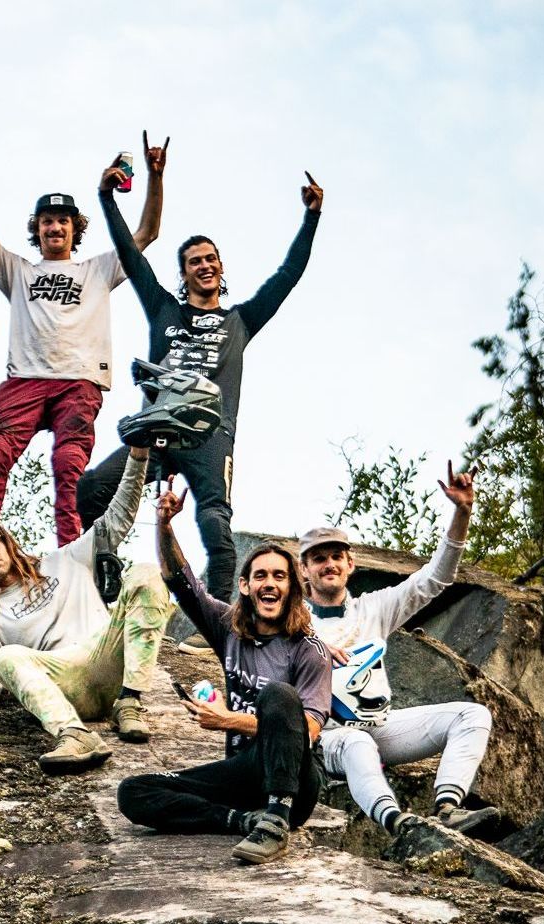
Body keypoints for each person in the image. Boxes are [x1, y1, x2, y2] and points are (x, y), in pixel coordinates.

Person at [78, 167, 324, 653]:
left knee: (215, 524)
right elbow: (132, 257)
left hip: (210, 435)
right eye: (194, 261)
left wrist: (311, 218)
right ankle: (102, 576)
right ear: (184, 272)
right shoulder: (164, 309)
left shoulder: (240, 320)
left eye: (211, 259)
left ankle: (217, 626)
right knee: (92, 488)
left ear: (221, 268)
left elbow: (287, 276)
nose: (204, 266)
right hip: (158, 431)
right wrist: (107, 199)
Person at [0, 128, 166, 544]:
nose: (55, 227)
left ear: (75, 229)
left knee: (68, 465)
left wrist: (155, 176)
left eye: (63, 221)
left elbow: (146, 233)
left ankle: (69, 552)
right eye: (47, 221)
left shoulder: (98, 269)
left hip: (78, 381)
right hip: (25, 380)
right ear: (37, 229)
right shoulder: (19, 271)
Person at [117, 479, 332, 865]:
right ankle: (241, 821)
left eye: (279, 576)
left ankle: (276, 821)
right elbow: (182, 583)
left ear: (292, 589)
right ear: (245, 586)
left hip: (295, 782)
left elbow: (309, 730)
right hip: (244, 773)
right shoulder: (229, 626)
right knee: (135, 791)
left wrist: (229, 720)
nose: (269, 583)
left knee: (278, 695)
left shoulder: (309, 650)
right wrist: (164, 525)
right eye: (260, 576)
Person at [0, 443, 170, 774]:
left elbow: (118, 518)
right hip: (67, 682)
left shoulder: (66, 559)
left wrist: (138, 456)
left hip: (108, 659)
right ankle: (75, 735)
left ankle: (130, 700)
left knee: (146, 573)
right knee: (7, 657)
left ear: (7, 543)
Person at [299, 460, 498, 835]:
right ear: (304, 570)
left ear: (350, 564)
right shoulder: (291, 621)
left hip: (377, 725)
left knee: (471, 715)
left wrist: (462, 512)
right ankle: (399, 823)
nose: (329, 564)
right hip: (323, 737)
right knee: (356, 741)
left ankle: (448, 808)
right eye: (319, 558)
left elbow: (436, 578)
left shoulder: (374, 608)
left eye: (336, 556)